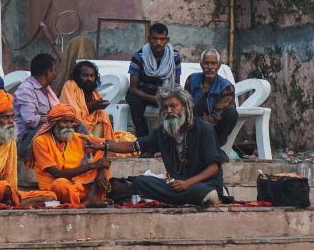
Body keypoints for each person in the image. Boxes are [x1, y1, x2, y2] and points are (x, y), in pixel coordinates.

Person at [91, 83, 225, 206]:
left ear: (185, 107)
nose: (169, 111)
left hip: (203, 185)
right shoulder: (163, 132)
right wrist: (104, 146)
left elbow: (214, 168)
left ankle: (210, 196)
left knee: (199, 191)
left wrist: (187, 184)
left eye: (173, 106)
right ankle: (182, 198)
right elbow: (134, 146)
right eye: (165, 107)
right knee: (141, 182)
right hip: (178, 187)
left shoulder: (204, 129)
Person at [25, 103, 111, 205]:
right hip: (56, 190)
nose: (69, 126)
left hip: (79, 185)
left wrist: (102, 169)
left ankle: (90, 197)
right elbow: (57, 174)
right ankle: (86, 200)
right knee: (60, 184)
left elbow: (110, 143)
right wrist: (92, 166)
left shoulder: (76, 137)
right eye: (65, 121)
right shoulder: (40, 141)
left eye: (71, 122)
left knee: (103, 151)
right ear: (54, 123)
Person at [15, 53, 88, 160]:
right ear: (48, 72)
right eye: (54, 70)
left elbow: (59, 111)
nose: (55, 74)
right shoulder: (25, 90)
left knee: (81, 127)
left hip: (47, 129)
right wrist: (56, 119)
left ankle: (84, 162)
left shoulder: (46, 89)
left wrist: (70, 120)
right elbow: (30, 120)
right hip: (24, 141)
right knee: (54, 126)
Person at [125, 23, 182, 138]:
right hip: (143, 93)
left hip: (165, 92)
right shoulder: (139, 56)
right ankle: (143, 140)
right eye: (155, 38)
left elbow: (176, 84)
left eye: (162, 39)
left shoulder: (174, 56)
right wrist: (155, 99)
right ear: (149, 39)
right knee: (134, 100)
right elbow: (133, 88)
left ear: (167, 40)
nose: (159, 42)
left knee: (181, 102)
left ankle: (171, 139)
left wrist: (166, 98)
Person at [184, 49, 238, 147]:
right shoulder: (191, 79)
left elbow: (216, 118)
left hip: (215, 129)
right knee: (195, 101)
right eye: (206, 63)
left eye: (213, 63)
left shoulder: (226, 87)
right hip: (193, 125)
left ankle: (216, 147)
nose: (210, 67)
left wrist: (201, 123)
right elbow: (185, 105)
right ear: (201, 65)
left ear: (218, 66)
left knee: (232, 113)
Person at [59, 61, 112, 139]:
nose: (89, 79)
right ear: (77, 76)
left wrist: (98, 107)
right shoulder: (70, 85)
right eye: (85, 75)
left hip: (91, 130)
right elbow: (71, 112)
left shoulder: (94, 92)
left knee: (103, 115)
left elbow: (95, 115)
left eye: (92, 76)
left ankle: (101, 144)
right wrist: (90, 107)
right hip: (73, 127)